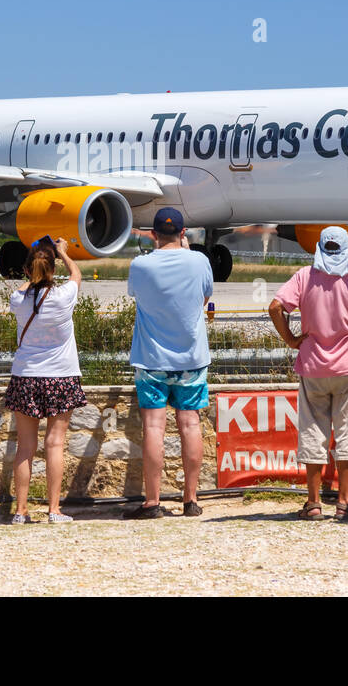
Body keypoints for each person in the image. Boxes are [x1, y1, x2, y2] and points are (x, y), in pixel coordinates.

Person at [269, 226, 348, 521]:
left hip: (313, 365)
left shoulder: (304, 277)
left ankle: (313, 502)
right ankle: (343, 501)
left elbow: (276, 306)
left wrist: (291, 339)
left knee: (313, 431)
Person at [124, 208, 213, 519]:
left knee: (153, 428)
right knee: (190, 424)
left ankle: (152, 502)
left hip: (151, 359)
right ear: (183, 232)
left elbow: (137, 295)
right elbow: (203, 299)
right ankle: (190, 499)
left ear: (153, 234)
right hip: (191, 357)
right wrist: (189, 253)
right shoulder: (200, 261)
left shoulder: (141, 265)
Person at [5, 237, 87, 525]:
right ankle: (54, 509)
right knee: (55, 444)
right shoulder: (64, 296)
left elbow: (23, 289)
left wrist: (33, 275)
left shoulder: (19, 300)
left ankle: (21, 510)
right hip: (61, 376)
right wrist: (63, 253)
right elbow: (76, 275)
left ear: (28, 271)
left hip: (26, 376)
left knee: (25, 447)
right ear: (52, 270)